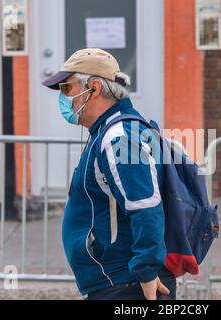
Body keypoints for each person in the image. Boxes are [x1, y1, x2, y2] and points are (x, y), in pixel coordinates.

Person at [42, 48, 176, 300]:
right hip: (118, 281)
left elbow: (145, 206)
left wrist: (146, 272)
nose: (63, 97)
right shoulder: (108, 131)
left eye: (66, 88)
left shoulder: (120, 137)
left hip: (127, 285)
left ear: (93, 88)